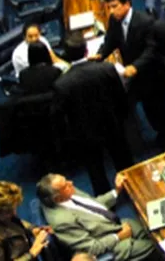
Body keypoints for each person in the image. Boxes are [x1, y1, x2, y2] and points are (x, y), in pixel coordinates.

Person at [53, 36, 132, 195]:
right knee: (124, 161)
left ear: (65, 55)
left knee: (95, 169)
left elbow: (61, 115)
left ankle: (105, 199)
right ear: (87, 51)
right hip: (112, 123)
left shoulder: (61, 84)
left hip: (85, 133)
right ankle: (133, 189)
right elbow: (121, 96)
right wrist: (123, 119)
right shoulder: (107, 68)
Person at [98, 0, 165, 148]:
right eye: (109, 8)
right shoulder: (114, 20)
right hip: (134, 75)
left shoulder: (146, 22)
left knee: (160, 109)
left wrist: (136, 66)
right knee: (148, 108)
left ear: (127, 4)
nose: (111, 11)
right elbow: (111, 40)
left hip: (153, 74)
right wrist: (100, 54)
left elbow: (152, 49)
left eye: (114, 6)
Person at [36, 172, 157, 260]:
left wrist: (116, 191)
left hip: (115, 224)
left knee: (154, 231)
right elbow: (92, 248)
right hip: (112, 245)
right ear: (58, 198)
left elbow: (93, 204)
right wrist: (118, 236)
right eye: (66, 186)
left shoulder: (67, 192)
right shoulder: (62, 222)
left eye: (66, 180)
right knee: (156, 246)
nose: (71, 183)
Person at [0, 181, 51, 261]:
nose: (14, 212)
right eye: (9, 211)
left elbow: (15, 222)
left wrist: (32, 229)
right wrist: (31, 253)